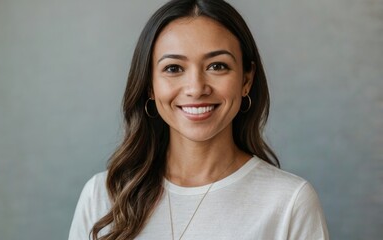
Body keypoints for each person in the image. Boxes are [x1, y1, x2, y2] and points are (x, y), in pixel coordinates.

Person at [68, 0, 329, 239]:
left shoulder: (289, 203)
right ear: (150, 85)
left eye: (217, 66)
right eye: (174, 68)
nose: (196, 88)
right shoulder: (102, 196)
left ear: (246, 80)